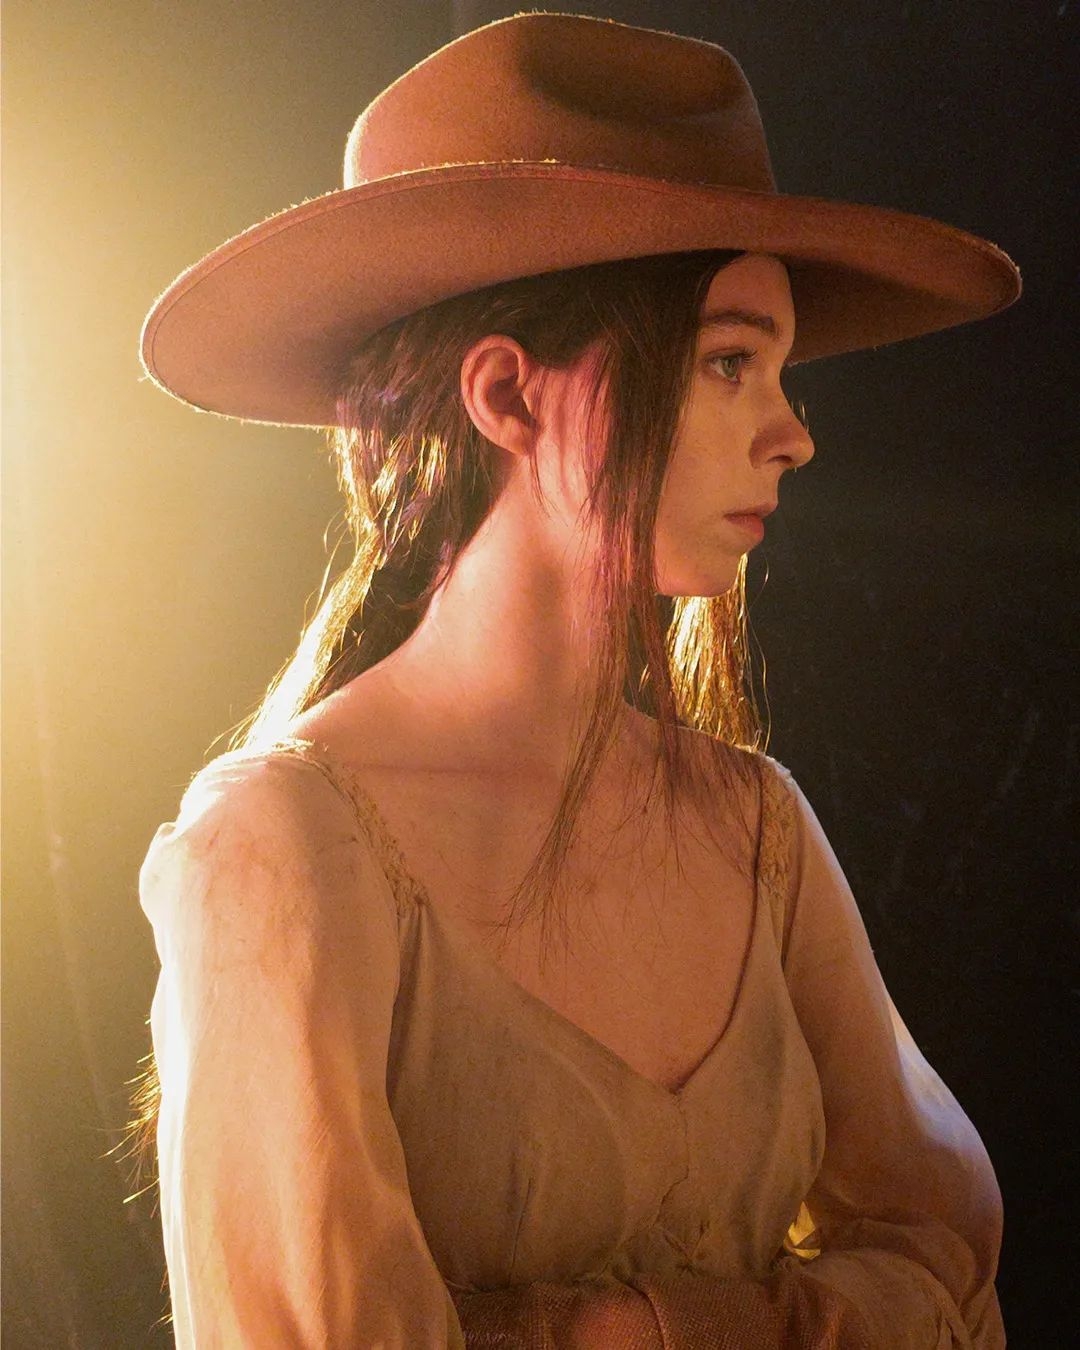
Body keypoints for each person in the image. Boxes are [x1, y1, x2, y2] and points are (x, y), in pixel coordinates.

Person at [136, 13, 1019, 1348]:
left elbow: (945, 1256)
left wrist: (627, 1330)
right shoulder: (279, 846)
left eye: (777, 370)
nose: (792, 433)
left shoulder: (756, 825)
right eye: (730, 361)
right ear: (508, 396)